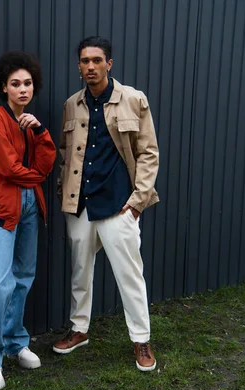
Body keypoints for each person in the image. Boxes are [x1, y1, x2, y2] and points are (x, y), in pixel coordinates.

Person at [53, 36, 160, 372]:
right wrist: (62, 192)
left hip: (118, 205)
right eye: (85, 61)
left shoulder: (133, 100)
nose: (90, 66)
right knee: (80, 272)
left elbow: (148, 153)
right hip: (81, 206)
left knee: (130, 275)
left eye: (97, 60)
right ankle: (79, 329)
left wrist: (137, 202)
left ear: (109, 64)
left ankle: (141, 339)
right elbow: (63, 154)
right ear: (79, 65)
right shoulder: (72, 104)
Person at [0, 51, 56, 390]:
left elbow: (46, 162)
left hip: (29, 207)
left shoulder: (29, 123)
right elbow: (9, 168)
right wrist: (35, 176)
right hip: (5, 208)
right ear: (4, 87)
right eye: (15, 84)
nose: (23, 89)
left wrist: (39, 131)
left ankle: (15, 343)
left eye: (27, 83)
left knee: (23, 276)